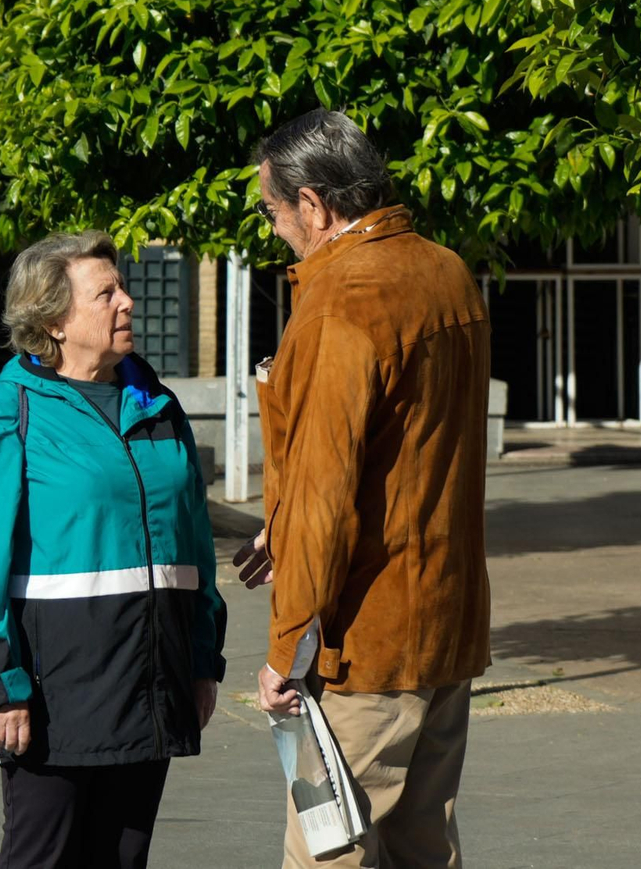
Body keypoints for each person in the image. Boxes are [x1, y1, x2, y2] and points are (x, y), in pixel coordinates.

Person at [233, 109, 492, 869]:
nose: (273, 229)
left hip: (364, 651)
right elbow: (409, 455)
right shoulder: (446, 271)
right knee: (424, 852)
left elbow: (322, 496)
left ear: (313, 205)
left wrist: (287, 651)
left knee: (329, 854)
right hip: (445, 627)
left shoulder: (339, 302)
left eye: (271, 210)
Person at [0, 230, 227, 869]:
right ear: (54, 321)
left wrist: (202, 658)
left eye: (121, 287)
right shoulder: (3, 418)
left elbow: (195, 546)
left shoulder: (159, 407)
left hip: (150, 683)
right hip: (54, 697)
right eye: (106, 293)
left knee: (124, 859)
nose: (127, 302)